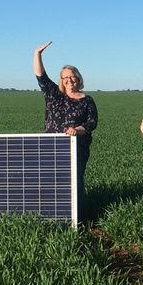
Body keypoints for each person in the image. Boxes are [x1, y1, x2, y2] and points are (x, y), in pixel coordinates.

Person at [34, 41, 97, 218]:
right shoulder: (54, 95)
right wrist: (37, 54)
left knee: (75, 180)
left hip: (78, 147)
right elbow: (41, 76)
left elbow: (92, 122)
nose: (69, 79)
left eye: (72, 76)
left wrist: (77, 130)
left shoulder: (87, 100)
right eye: (65, 77)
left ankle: (78, 216)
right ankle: (52, 214)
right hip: (52, 146)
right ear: (61, 80)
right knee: (52, 180)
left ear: (78, 78)